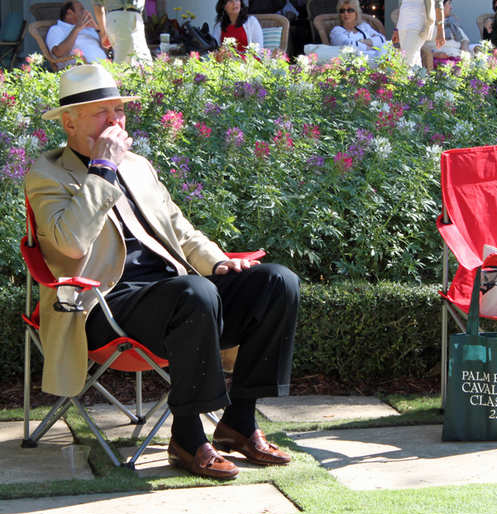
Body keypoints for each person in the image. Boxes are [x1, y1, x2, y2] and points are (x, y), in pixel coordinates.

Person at [26, 64, 300, 480]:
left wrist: (219, 262)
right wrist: (102, 169)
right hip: (102, 306)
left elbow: (180, 229)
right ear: (69, 121)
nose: (115, 121)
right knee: (194, 293)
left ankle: (239, 420)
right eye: (102, 112)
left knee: (277, 282)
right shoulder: (46, 174)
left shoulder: (138, 166)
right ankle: (188, 438)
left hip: (175, 296)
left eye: (119, 110)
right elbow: (71, 243)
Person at [46, 1, 108, 68]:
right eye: (81, 9)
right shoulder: (57, 29)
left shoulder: (89, 28)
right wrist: (77, 29)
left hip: (105, 66)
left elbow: (106, 49)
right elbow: (58, 53)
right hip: (81, 70)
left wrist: (98, 29)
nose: (86, 12)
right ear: (69, 13)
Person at [93, 0, 152, 65]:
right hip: (124, 17)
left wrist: (103, 32)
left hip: (124, 18)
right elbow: (97, 5)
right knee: (124, 64)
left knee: (143, 61)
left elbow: (97, 5)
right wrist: (104, 32)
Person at [396, 0, 446, 68]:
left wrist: (441, 30)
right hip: (402, 25)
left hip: (419, 25)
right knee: (414, 60)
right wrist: (396, 29)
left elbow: (438, 4)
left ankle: (408, 78)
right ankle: (419, 78)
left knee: (407, 61)